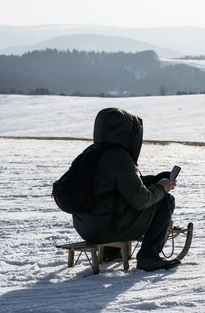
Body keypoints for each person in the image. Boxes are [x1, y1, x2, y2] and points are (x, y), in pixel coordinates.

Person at [72, 107, 180, 271]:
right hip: (107, 229)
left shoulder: (90, 153)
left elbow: (116, 188)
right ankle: (149, 257)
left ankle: (111, 251)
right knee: (165, 200)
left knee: (114, 205)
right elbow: (141, 201)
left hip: (85, 227)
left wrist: (155, 180)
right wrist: (161, 188)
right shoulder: (119, 157)